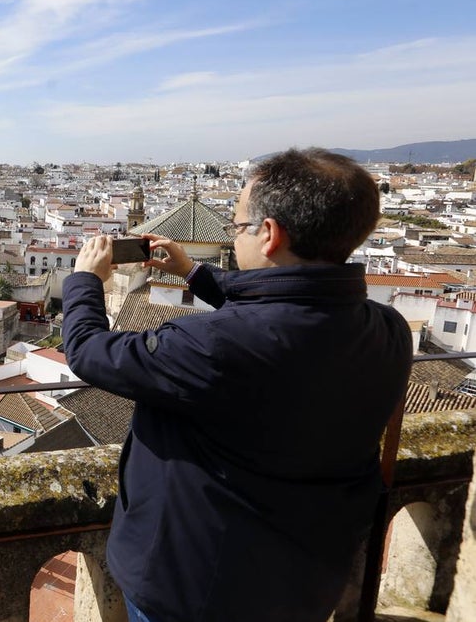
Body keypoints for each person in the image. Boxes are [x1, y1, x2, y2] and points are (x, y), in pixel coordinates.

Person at [62, 148, 411, 622]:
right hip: (305, 581)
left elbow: (86, 349)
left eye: (237, 225)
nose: (234, 232)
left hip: (194, 589)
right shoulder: (388, 329)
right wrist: (193, 272)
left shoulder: (209, 346)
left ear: (269, 234)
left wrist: (85, 280)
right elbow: (287, 306)